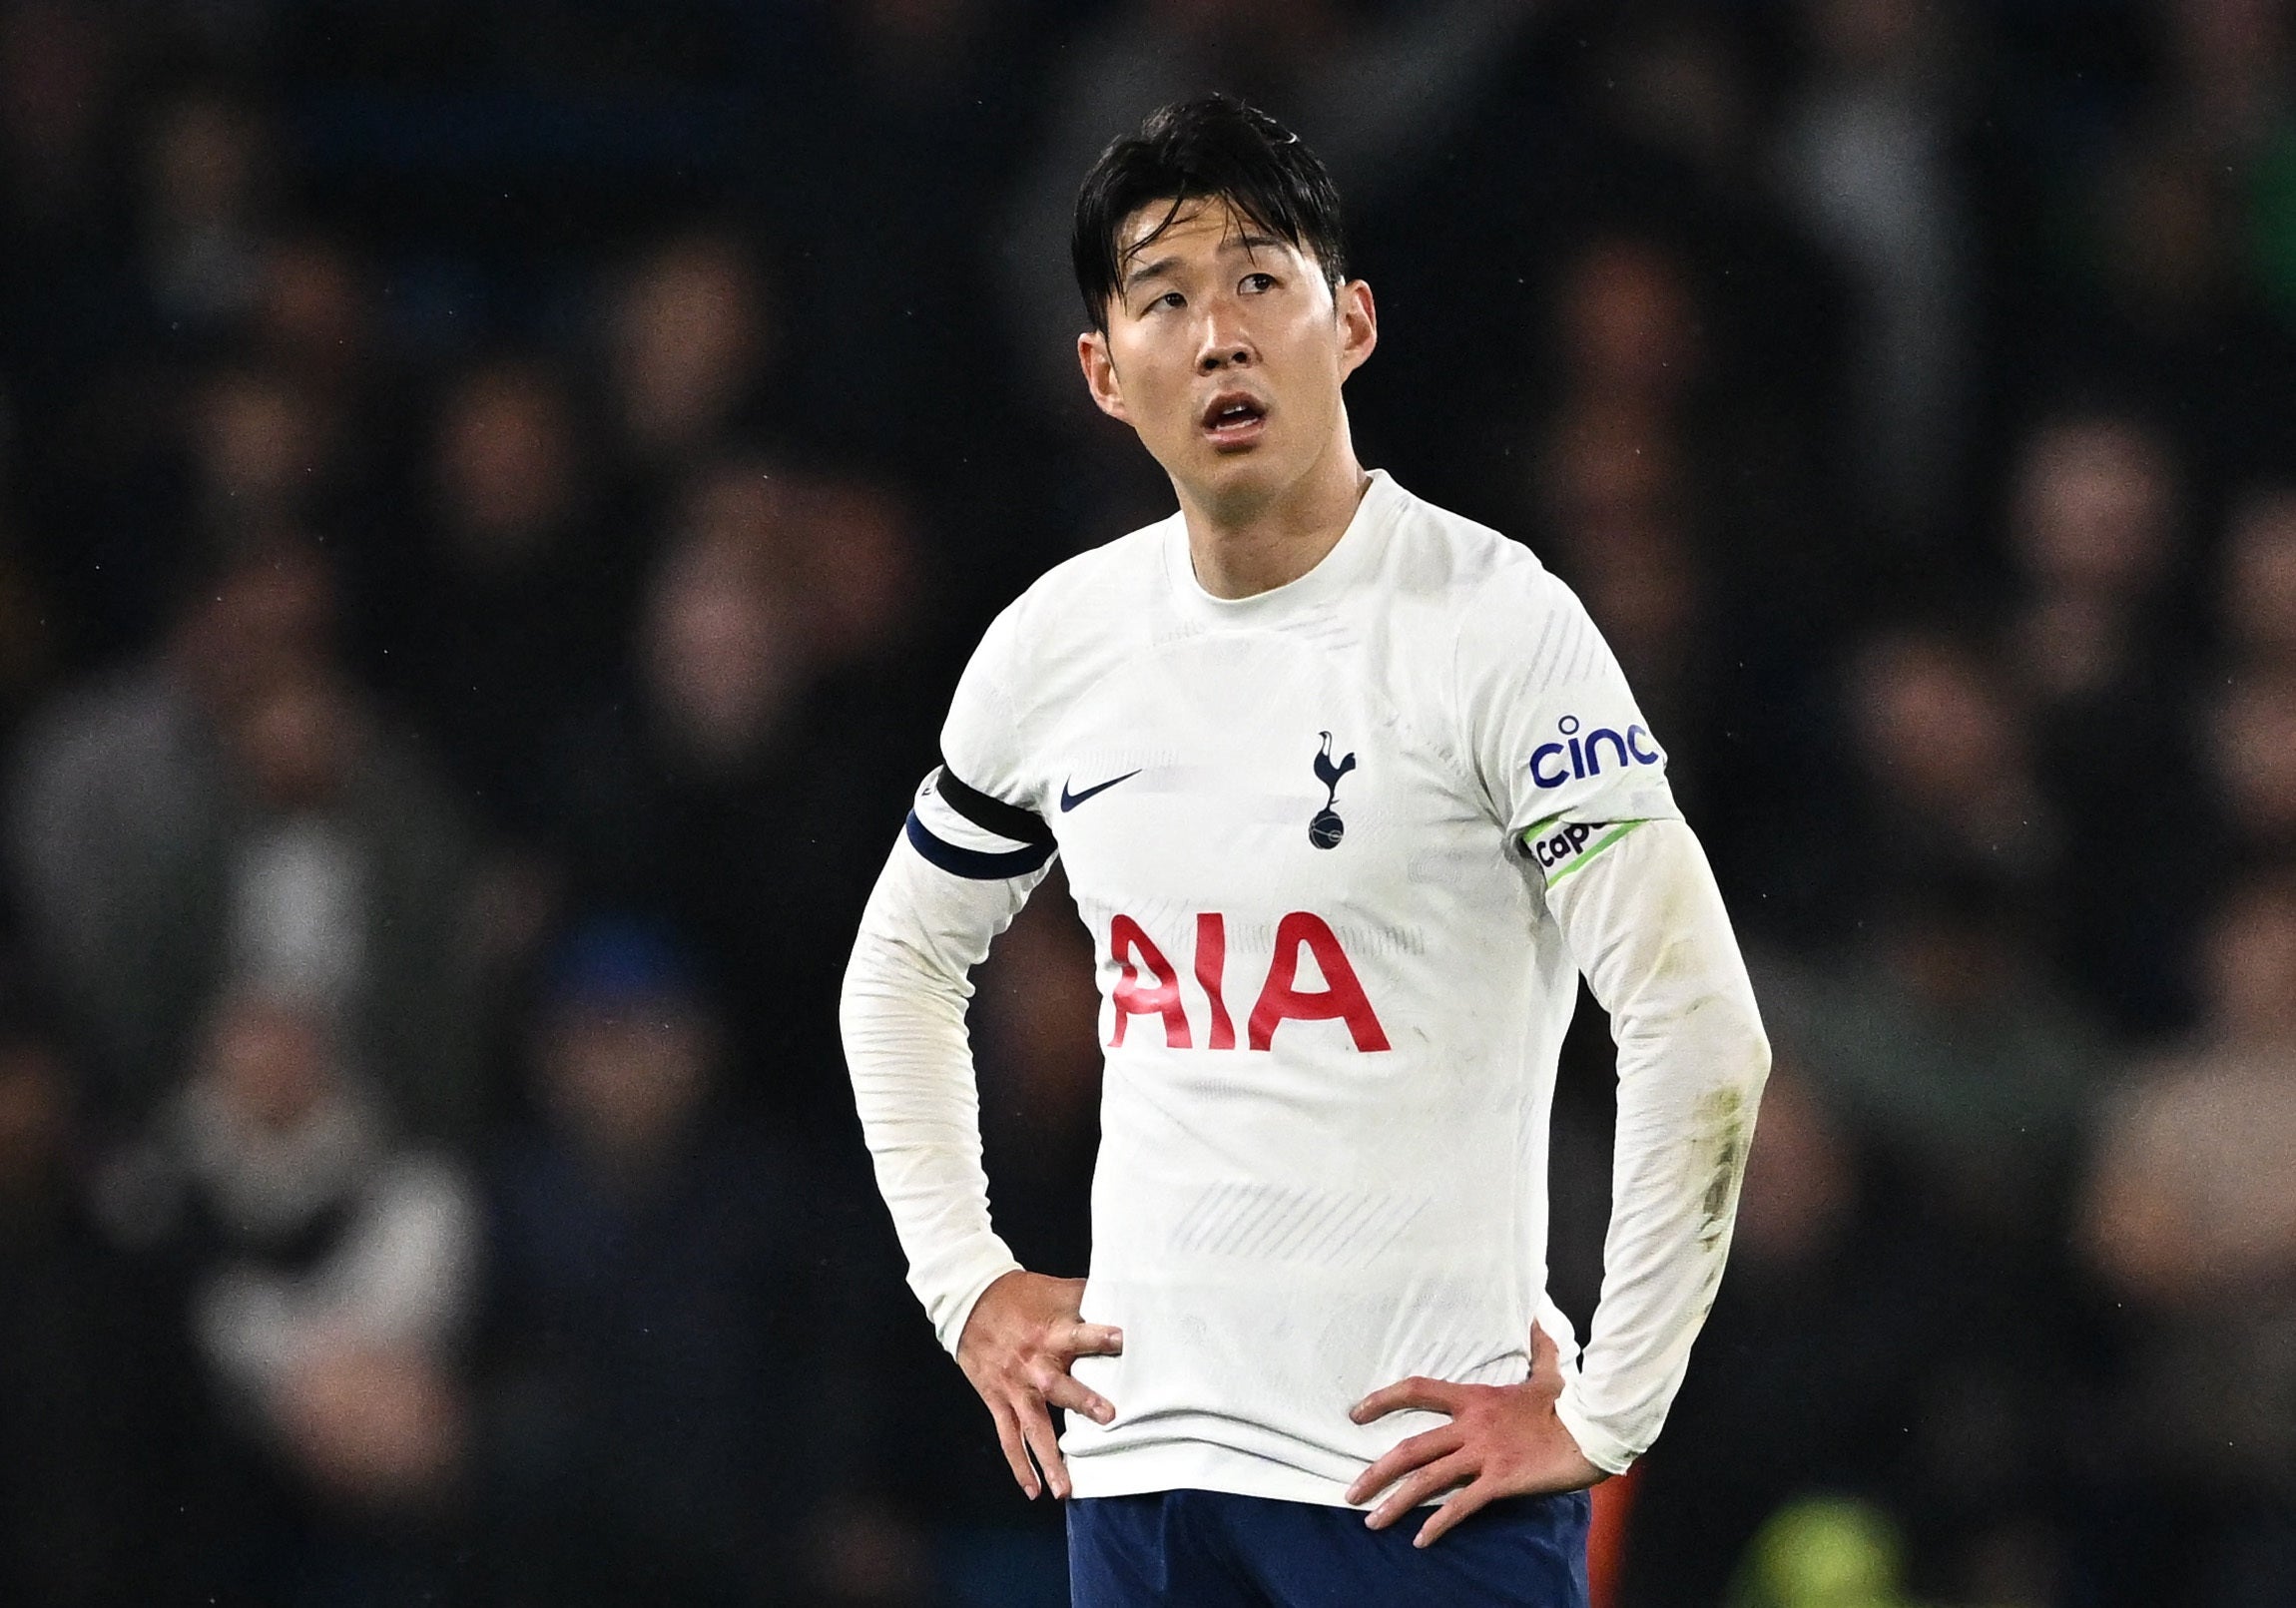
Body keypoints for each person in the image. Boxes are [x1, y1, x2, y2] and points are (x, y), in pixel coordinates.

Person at [841, 95, 1771, 1607]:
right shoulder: (1056, 648)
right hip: (1142, 1486)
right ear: (1101, 371)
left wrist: (1612, 1412)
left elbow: (1700, 1027)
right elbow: (897, 968)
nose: (1217, 336)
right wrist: (967, 1285)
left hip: (1413, 1494)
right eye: (1164, 299)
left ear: (1351, 323)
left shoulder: (1496, 627)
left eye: (1259, 282)